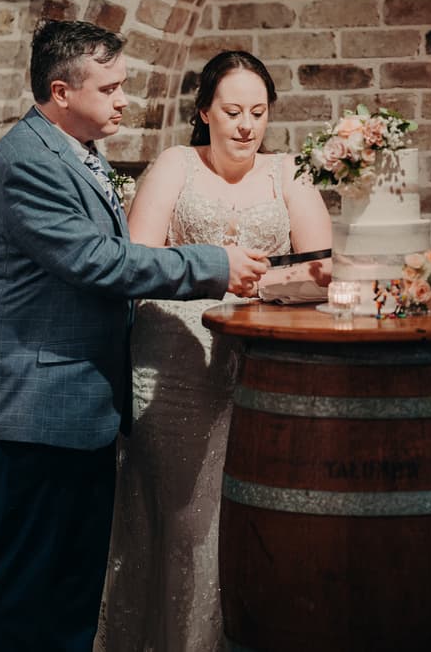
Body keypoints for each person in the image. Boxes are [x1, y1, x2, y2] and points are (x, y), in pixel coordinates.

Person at [0, 20, 269, 652]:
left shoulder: (76, 151)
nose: (125, 99)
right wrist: (212, 264)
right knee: (27, 591)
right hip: (35, 411)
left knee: (73, 591)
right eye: (110, 88)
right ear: (61, 91)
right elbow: (99, 263)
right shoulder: (26, 161)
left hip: (78, 408)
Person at [100, 50, 332, 652]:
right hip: (173, 357)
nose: (246, 125)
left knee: (253, 518)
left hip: (258, 361)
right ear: (205, 111)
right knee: (184, 518)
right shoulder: (177, 164)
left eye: (258, 112)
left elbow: (319, 270)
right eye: (232, 110)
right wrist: (212, 273)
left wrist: (271, 286)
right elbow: (138, 259)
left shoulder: (289, 174)